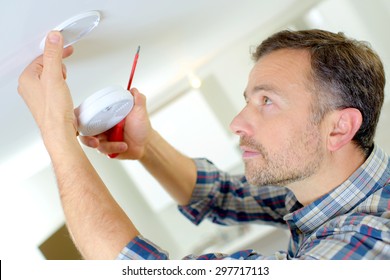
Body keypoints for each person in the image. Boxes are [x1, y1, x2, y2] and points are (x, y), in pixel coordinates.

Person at [18, 29, 390, 260]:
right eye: (248, 100)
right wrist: (147, 148)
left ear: (339, 128)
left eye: (267, 102)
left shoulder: (371, 243)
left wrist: (56, 132)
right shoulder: (325, 186)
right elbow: (222, 195)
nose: (237, 123)